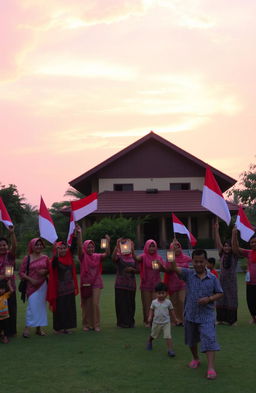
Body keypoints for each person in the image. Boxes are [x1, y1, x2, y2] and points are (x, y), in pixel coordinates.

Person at [171, 249, 223, 380]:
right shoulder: (188, 274)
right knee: (191, 339)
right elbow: (173, 268)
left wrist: (209, 299)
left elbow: (220, 292)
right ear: (192, 261)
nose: (199, 264)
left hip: (207, 315)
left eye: (201, 261)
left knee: (209, 338)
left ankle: (211, 368)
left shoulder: (212, 278)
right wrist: (171, 254)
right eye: (196, 261)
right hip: (191, 314)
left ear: (206, 261)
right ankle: (195, 358)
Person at [77, 226, 110, 332]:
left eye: (92, 247)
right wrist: (79, 234)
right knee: (86, 304)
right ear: (85, 248)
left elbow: (107, 254)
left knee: (95, 304)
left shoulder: (97, 256)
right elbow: (79, 247)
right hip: (85, 283)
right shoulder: (82, 256)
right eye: (88, 247)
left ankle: (96, 325)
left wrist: (108, 243)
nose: (91, 249)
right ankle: (86, 324)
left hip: (96, 282)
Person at [19, 238, 49, 338]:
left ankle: (39, 329)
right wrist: (31, 280)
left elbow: (50, 270)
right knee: (31, 307)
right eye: (36, 245)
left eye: (40, 244)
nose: (39, 246)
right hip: (31, 286)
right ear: (32, 246)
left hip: (42, 285)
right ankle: (27, 328)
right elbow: (21, 273)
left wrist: (45, 272)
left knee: (41, 307)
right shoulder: (27, 258)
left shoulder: (45, 258)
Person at [47, 240, 79, 334]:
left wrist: (76, 235)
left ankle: (67, 328)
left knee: (69, 308)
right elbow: (53, 265)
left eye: (64, 248)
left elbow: (74, 245)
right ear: (56, 250)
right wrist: (56, 253)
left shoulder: (69, 258)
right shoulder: (55, 260)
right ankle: (58, 328)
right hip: (59, 290)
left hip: (70, 288)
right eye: (60, 248)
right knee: (60, 309)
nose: (62, 250)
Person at [137, 239, 165, 327]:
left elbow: (164, 269)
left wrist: (160, 266)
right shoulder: (143, 256)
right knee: (147, 304)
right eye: (150, 246)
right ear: (146, 247)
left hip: (156, 283)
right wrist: (131, 249)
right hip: (146, 283)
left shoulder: (159, 257)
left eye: (153, 246)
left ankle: (155, 321)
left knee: (156, 304)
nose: (152, 248)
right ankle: (147, 321)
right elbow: (136, 259)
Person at [214, 221, 238, 326]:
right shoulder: (221, 254)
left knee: (231, 299)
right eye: (225, 246)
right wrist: (216, 230)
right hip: (222, 281)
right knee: (221, 299)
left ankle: (232, 321)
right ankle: (220, 319)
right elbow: (218, 243)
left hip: (231, 282)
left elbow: (235, 245)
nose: (227, 248)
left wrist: (234, 234)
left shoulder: (235, 255)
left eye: (228, 246)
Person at [164, 239, 192, 326]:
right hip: (172, 283)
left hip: (182, 283)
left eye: (178, 247)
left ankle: (183, 320)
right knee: (173, 302)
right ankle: (175, 320)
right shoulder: (170, 257)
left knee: (182, 301)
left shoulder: (186, 258)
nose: (177, 249)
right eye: (175, 248)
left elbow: (192, 263)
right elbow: (168, 268)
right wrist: (171, 253)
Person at [232, 227, 256, 324]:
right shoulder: (249, 253)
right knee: (250, 301)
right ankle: (254, 318)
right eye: (252, 242)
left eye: (255, 242)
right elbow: (235, 249)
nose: (253, 244)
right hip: (250, 282)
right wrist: (234, 235)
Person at [112, 238, 138, 328]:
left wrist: (132, 270)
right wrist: (116, 245)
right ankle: (121, 323)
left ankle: (130, 322)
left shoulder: (133, 257)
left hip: (131, 285)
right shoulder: (119, 256)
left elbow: (138, 269)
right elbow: (113, 258)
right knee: (120, 304)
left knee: (130, 303)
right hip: (120, 284)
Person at [146, 282, 177, 357]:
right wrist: (150, 317)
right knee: (154, 335)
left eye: (163, 293)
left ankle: (170, 350)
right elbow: (151, 310)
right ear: (156, 293)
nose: (161, 295)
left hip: (166, 323)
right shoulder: (154, 302)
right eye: (159, 293)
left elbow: (172, 310)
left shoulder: (168, 302)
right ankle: (150, 341)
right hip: (156, 323)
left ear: (166, 293)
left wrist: (175, 318)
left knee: (168, 336)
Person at [0, 226, 17, 337]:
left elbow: (14, 246)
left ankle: (10, 332)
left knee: (11, 309)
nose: (3, 247)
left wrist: (12, 234)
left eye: (4, 245)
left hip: (10, 287)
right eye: (0, 245)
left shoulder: (9, 256)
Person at [0, 279, 14, 343]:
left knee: (6, 328)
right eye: (0, 289)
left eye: (2, 289)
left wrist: (9, 284)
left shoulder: (5, 295)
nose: (1, 290)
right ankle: (2, 336)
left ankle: (5, 337)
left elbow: (12, 291)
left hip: (5, 316)